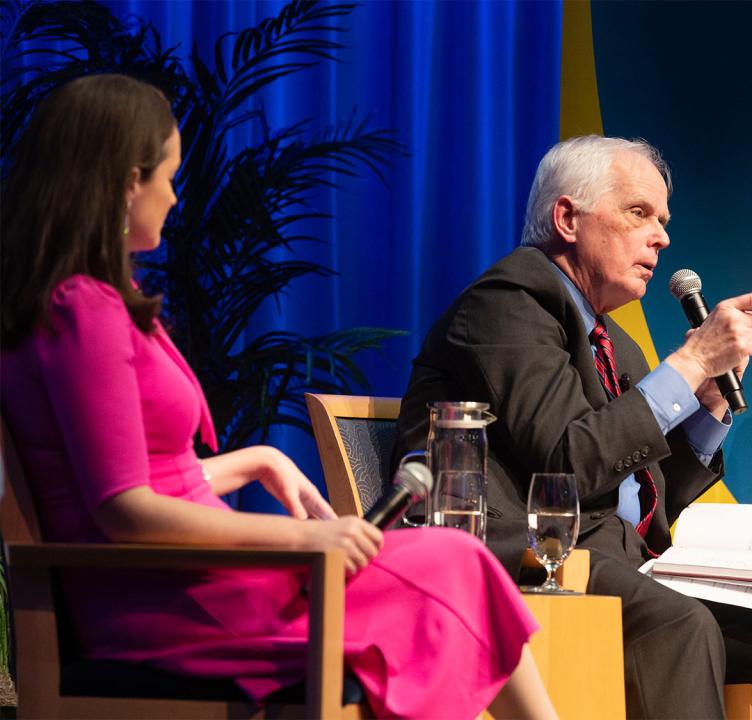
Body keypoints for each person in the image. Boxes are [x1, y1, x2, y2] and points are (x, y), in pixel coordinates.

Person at [0, 74, 557, 720]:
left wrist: (256, 459)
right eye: (168, 177)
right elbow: (125, 509)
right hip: (176, 605)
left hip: (181, 584)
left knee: (456, 563)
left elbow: (129, 474)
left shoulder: (72, 303)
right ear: (128, 181)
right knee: (453, 563)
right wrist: (302, 541)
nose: (176, 197)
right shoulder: (83, 310)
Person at [395, 135, 752, 719]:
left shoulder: (614, 339)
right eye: (639, 213)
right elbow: (568, 463)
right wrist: (688, 363)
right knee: (678, 622)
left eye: (662, 219)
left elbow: (644, 496)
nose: (661, 236)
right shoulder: (505, 304)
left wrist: (706, 405)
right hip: (526, 561)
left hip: (627, 564)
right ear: (567, 218)